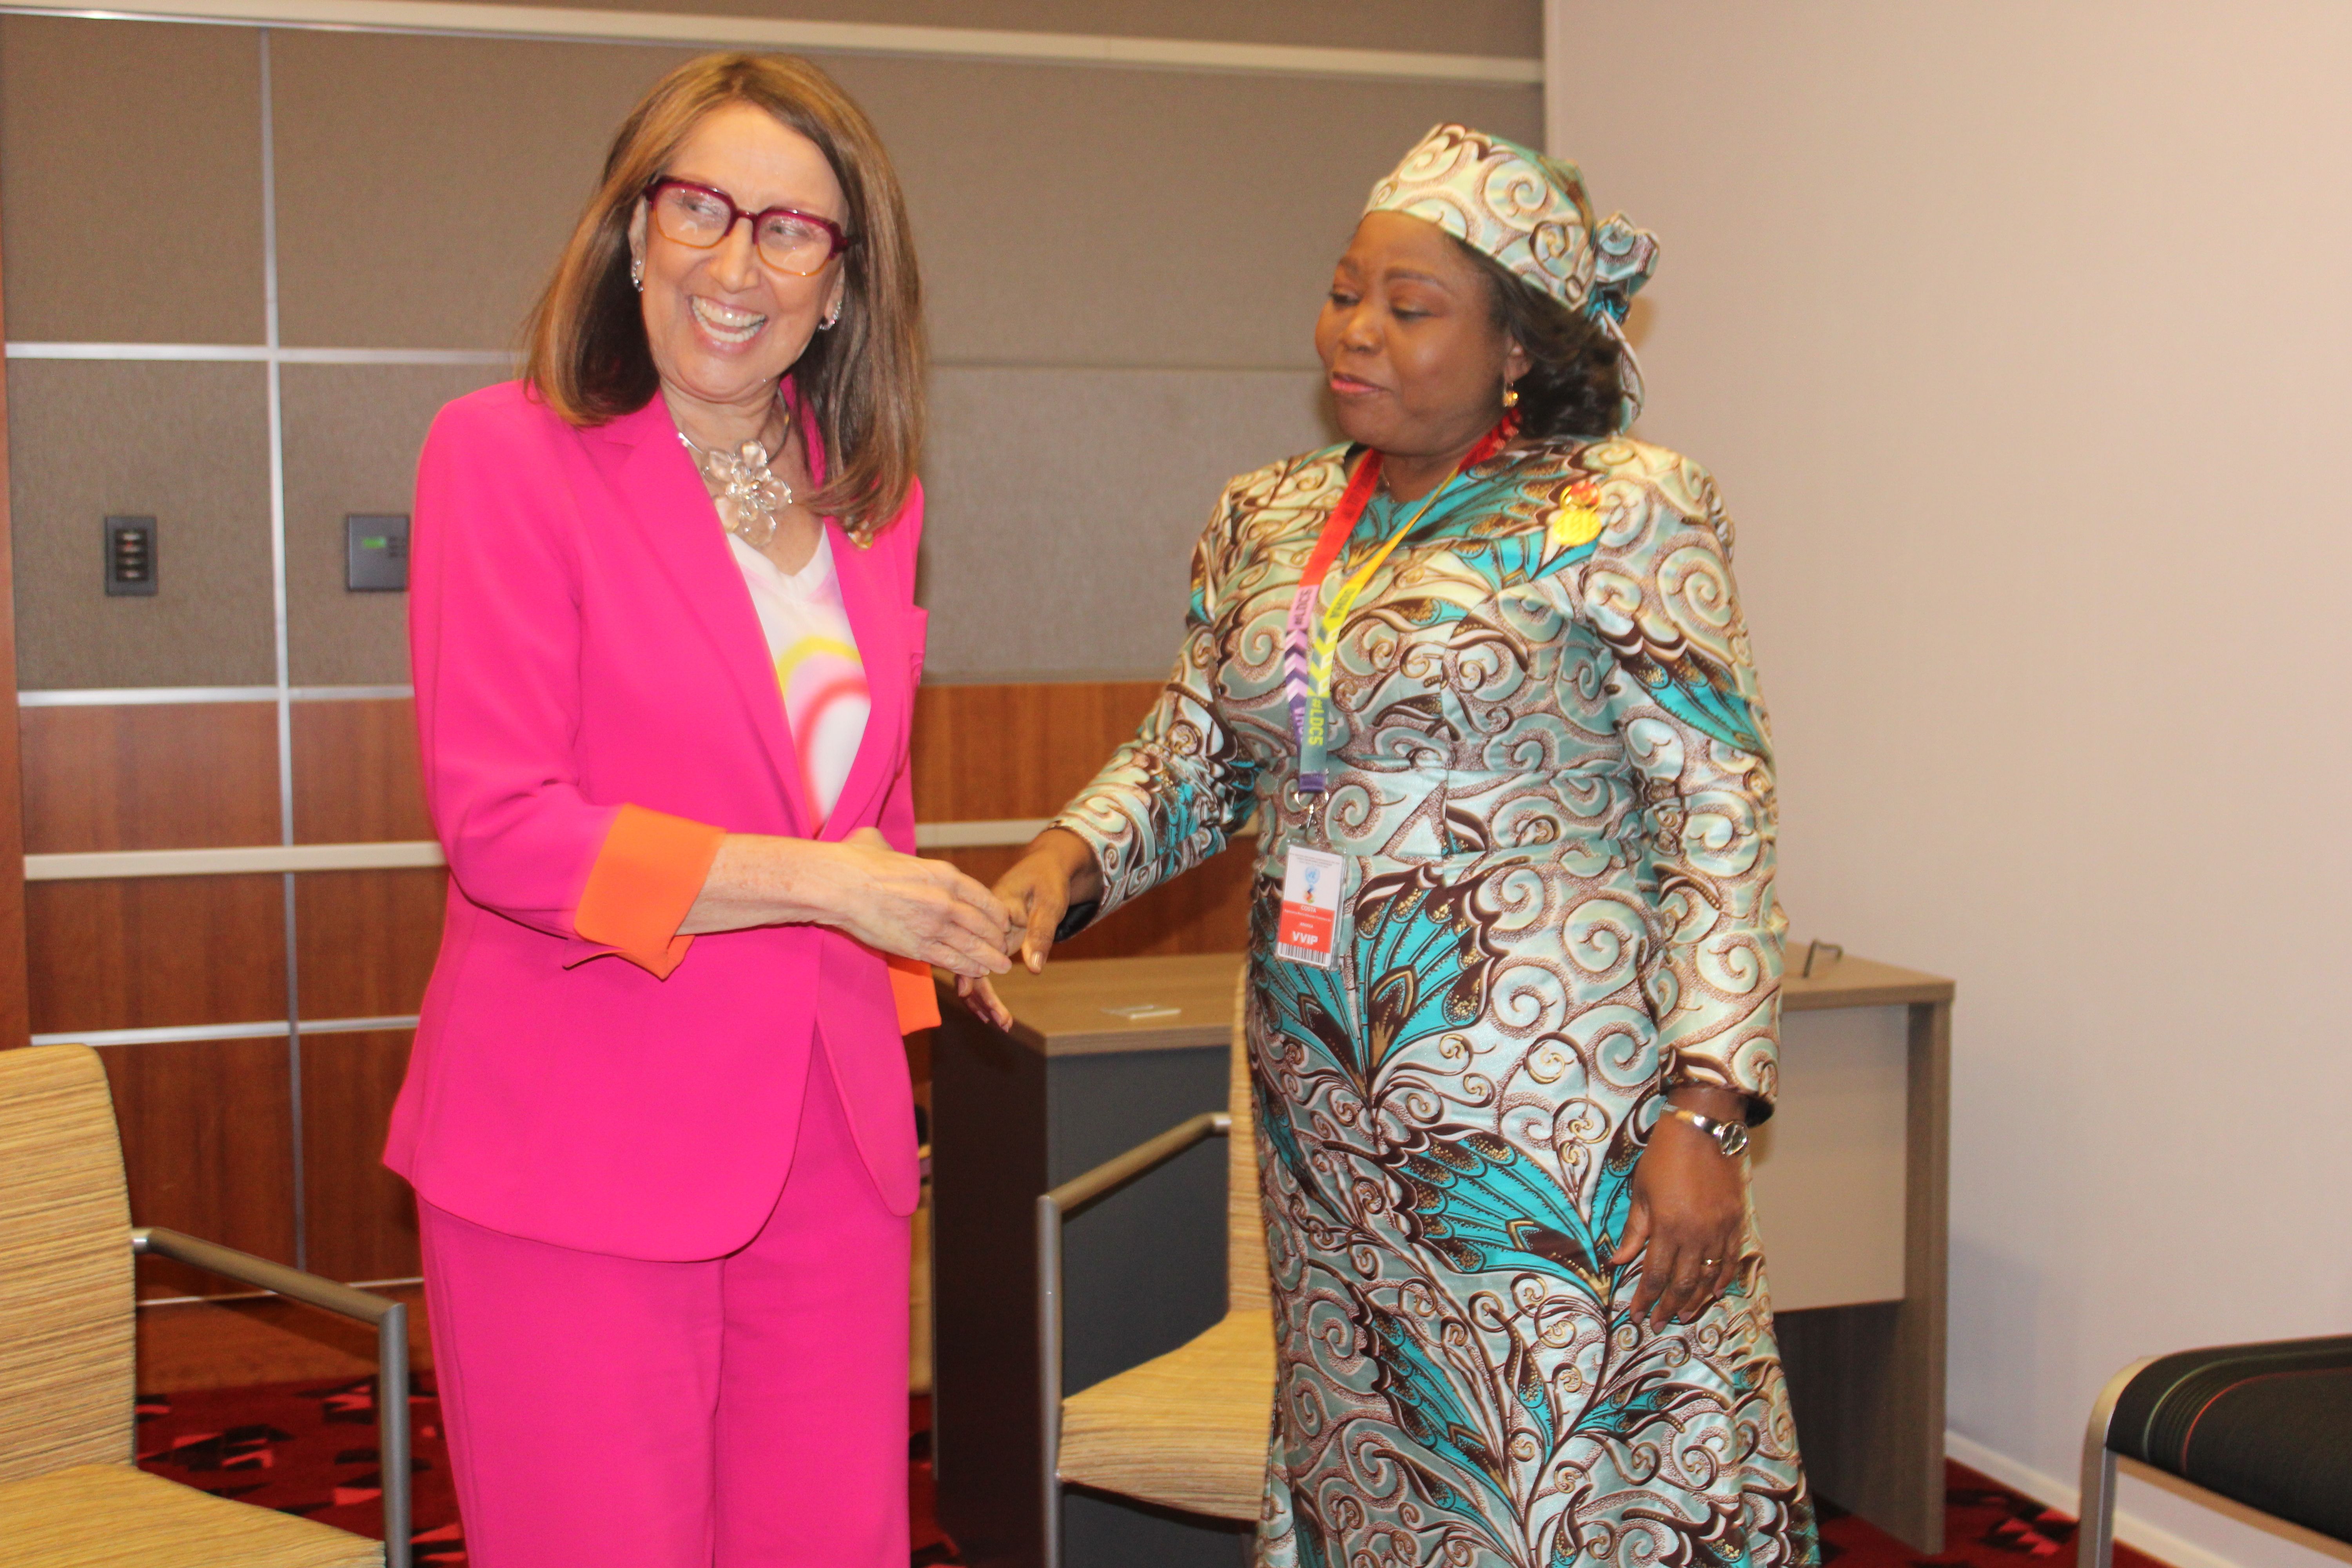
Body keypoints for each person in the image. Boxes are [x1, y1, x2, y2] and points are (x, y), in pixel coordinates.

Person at [988, 125, 1817, 1566]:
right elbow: (1198, 749)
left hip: (1550, 1108)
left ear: (1517, 346)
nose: (1355, 330)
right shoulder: (1269, 513)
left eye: (1410, 306)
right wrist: (1065, 859)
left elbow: (1718, 809)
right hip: (1326, 1102)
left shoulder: (1624, 508)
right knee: (1369, 1445)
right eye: (1342, 291)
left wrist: (1709, 1106)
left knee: (1557, 1459)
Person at [384, 53, 1012, 1568]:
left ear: (842, 284)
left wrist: (925, 946)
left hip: (831, 1144)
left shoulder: (874, 497)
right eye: (699, 211)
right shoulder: (505, 453)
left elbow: (865, 808)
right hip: (580, 1139)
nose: (738, 266)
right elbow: (505, 828)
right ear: (632, 231)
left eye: (790, 230)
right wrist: (831, 885)